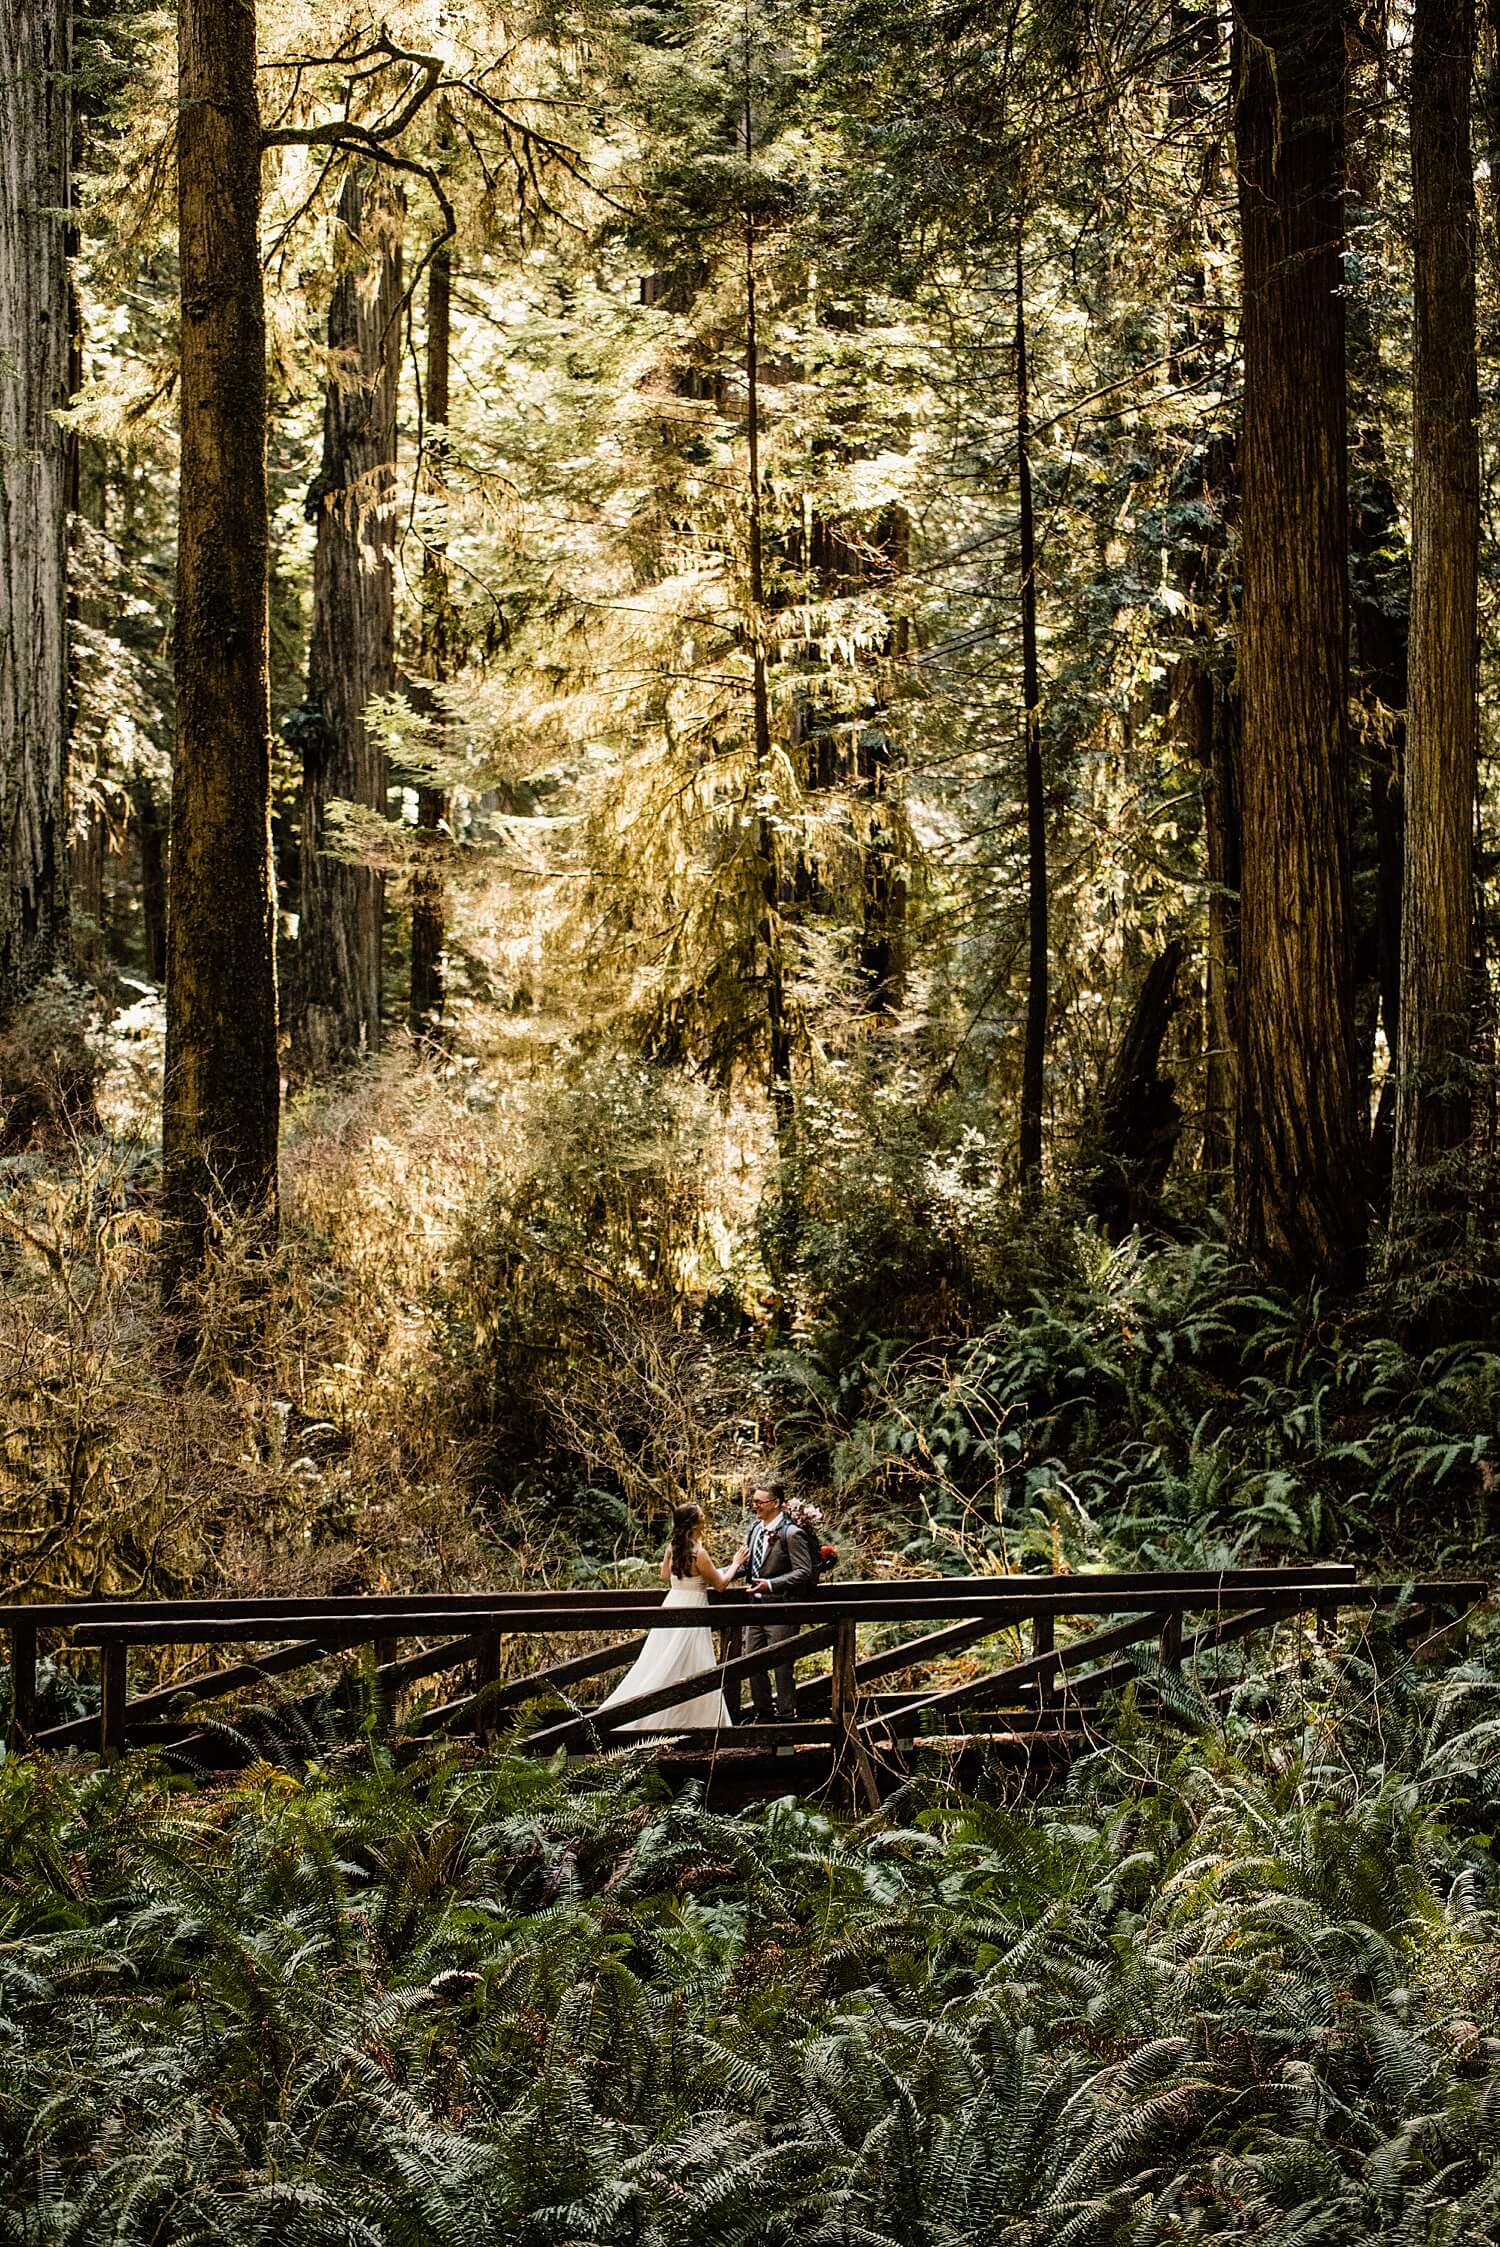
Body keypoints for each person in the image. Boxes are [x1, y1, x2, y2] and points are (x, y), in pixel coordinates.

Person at [593, 1501, 737, 1733]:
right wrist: (736, 1564)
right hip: (693, 1608)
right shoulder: (698, 1553)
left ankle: (664, 1715)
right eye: (701, 1516)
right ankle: (692, 1720)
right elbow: (720, 1585)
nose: (704, 1519)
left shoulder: (674, 1547)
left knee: (662, 1657)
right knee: (692, 1661)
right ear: (694, 1523)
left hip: (673, 1602)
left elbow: (664, 1575)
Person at [727, 1478, 819, 1721]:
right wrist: (718, 1576)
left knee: (781, 1664)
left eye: (759, 1502)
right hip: (754, 1608)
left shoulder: (792, 1533)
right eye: (753, 1502)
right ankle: (764, 1715)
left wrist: (771, 1584)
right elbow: (748, 1566)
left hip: (782, 1608)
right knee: (752, 1663)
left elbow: (804, 1571)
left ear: (776, 1503)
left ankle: (787, 1717)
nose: (754, 1506)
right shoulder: (755, 1530)